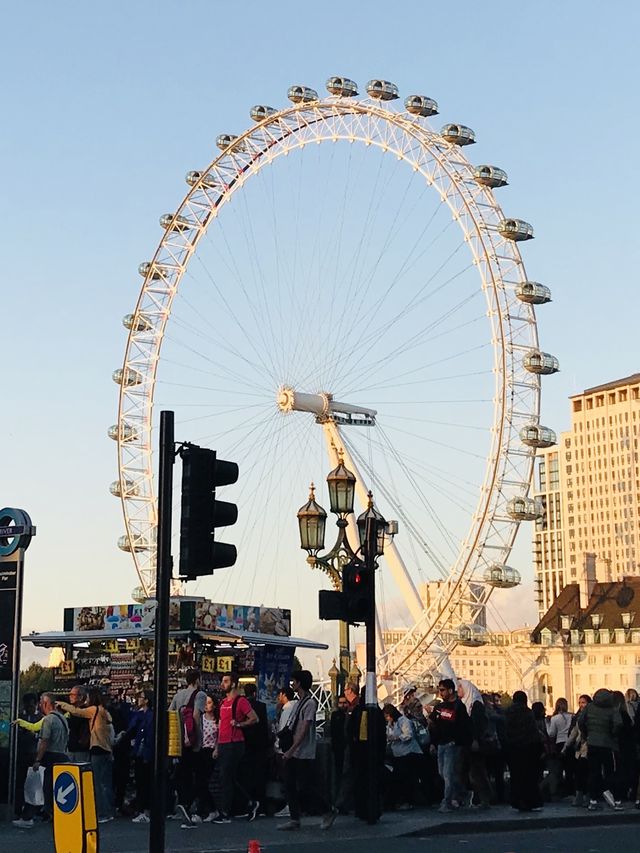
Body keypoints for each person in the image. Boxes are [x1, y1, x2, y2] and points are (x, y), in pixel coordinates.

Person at [278, 669, 337, 832]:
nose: (292, 684)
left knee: (305, 786)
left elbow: (303, 728)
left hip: (303, 751)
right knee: (290, 783)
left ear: (299, 683)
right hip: (294, 750)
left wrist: (292, 748)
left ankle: (327, 810)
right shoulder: (298, 702)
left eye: (294, 681)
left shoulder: (309, 703)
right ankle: (294, 818)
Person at [57, 687, 114, 823]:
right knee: (105, 783)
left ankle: (101, 813)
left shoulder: (94, 710)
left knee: (96, 783)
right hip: (106, 749)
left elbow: (78, 712)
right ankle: (109, 810)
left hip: (96, 747)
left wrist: (62, 705)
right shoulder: (104, 711)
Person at [214, 672, 259, 824]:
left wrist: (239, 724)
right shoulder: (222, 703)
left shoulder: (240, 701)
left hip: (234, 742)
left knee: (226, 776)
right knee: (228, 777)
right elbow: (220, 725)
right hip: (223, 742)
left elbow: (254, 718)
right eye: (222, 681)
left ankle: (226, 812)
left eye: (225, 681)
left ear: (233, 684)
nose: (222, 684)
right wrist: (216, 746)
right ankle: (248, 803)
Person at [168, 668, 208, 827]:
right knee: (199, 775)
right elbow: (197, 716)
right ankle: (192, 807)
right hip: (193, 741)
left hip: (179, 741)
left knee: (183, 773)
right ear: (197, 679)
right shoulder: (200, 695)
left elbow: (170, 713)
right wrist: (197, 740)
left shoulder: (178, 695)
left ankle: (184, 803)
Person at [428, 678, 471, 813]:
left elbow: (461, 724)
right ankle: (463, 793)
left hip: (452, 744)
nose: (440, 693)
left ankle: (447, 802)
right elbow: (433, 724)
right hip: (441, 743)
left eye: (442, 690)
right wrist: (433, 743)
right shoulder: (439, 707)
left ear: (450, 690)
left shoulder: (458, 706)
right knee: (444, 773)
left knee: (447, 774)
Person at [579, 687, 622, 811]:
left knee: (594, 773)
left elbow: (581, 722)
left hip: (592, 743)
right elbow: (618, 724)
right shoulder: (612, 709)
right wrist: (613, 734)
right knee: (610, 772)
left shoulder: (589, 707)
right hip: (607, 744)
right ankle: (616, 800)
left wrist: (586, 734)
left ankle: (593, 800)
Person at [32, 693, 69, 822]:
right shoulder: (63, 718)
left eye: (41, 703)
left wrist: (38, 760)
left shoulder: (48, 720)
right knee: (57, 787)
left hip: (51, 756)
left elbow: (44, 741)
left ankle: (48, 812)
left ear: (46, 704)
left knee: (48, 786)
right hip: (63, 755)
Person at [504, 691, 543, 812]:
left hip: (512, 748)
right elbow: (533, 731)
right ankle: (530, 801)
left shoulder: (507, 712)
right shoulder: (527, 712)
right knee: (529, 777)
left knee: (516, 776)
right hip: (527, 748)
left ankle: (516, 801)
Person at [457, 679, 492, 809]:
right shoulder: (465, 704)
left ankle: (483, 799)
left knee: (476, 772)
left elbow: (477, 724)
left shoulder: (475, 705)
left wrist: (475, 739)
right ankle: (475, 799)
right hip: (467, 742)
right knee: (470, 772)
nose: (458, 690)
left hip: (474, 743)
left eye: (460, 687)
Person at [383, 703, 422, 809]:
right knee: (400, 778)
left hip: (408, 753)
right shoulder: (391, 724)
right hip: (398, 753)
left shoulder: (403, 721)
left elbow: (408, 735)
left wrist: (396, 737)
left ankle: (408, 801)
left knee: (406, 778)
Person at [12, 693, 42, 828]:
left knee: (33, 786)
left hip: (33, 754)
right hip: (22, 753)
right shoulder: (20, 716)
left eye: (31, 705)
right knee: (20, 784)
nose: (29, 708)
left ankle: (32, 811)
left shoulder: (40, 718)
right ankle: (19, 810)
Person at [126, 690, 154, 823]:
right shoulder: (142, 715)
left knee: (144, 782)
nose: (138, 700)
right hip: (141, 750)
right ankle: (144, 809)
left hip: (144, 751)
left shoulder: (147, 716)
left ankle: (145, 810)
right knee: (142, 781)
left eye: (141, 697)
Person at [243, 683, 270, 814]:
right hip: (260, 746)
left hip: (246, 744)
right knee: (260, 776)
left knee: (246, 775)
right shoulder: (261, 706)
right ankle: (261, 805)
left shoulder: (242, 706)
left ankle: (248, 804)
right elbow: (265, 727)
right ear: (255, 693)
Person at [562, 694, 591, 807]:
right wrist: (566, 747)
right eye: (579, 702)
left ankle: (585, 796)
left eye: (583, 702)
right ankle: (582, 796)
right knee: (580, 774)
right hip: (579, 750)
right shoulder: (578, 717)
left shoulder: (588, 717)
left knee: (584, 773)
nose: (581, 705)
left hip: (588, 748)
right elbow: (573, 733)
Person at [547, 697, 573, 799]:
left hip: (559, 743)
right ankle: (571, 790)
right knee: (570, 769)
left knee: (559, 768)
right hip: (570, 743)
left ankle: (560, 791)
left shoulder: (555, 718)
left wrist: (547, 724)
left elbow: (551, 734)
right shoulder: (572, 716)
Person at [198, 694, 219, 822]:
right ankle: (207, 809)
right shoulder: (200, 719)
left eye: (209, 703)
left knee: (205, 780)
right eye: (205, 703)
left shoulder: (217, 720)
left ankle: (210, 810)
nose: (206, 705)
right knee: (201, 781)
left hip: (211, 751)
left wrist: (217, 749)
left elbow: (219, 736)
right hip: (200, 750)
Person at [66, 685, 91, 763]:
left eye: (73, 695)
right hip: (72, 747)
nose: (70, 697)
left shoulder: (84, 711)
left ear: (81, 697)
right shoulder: (71, 712)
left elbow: (75, 724)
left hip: (81, 749)